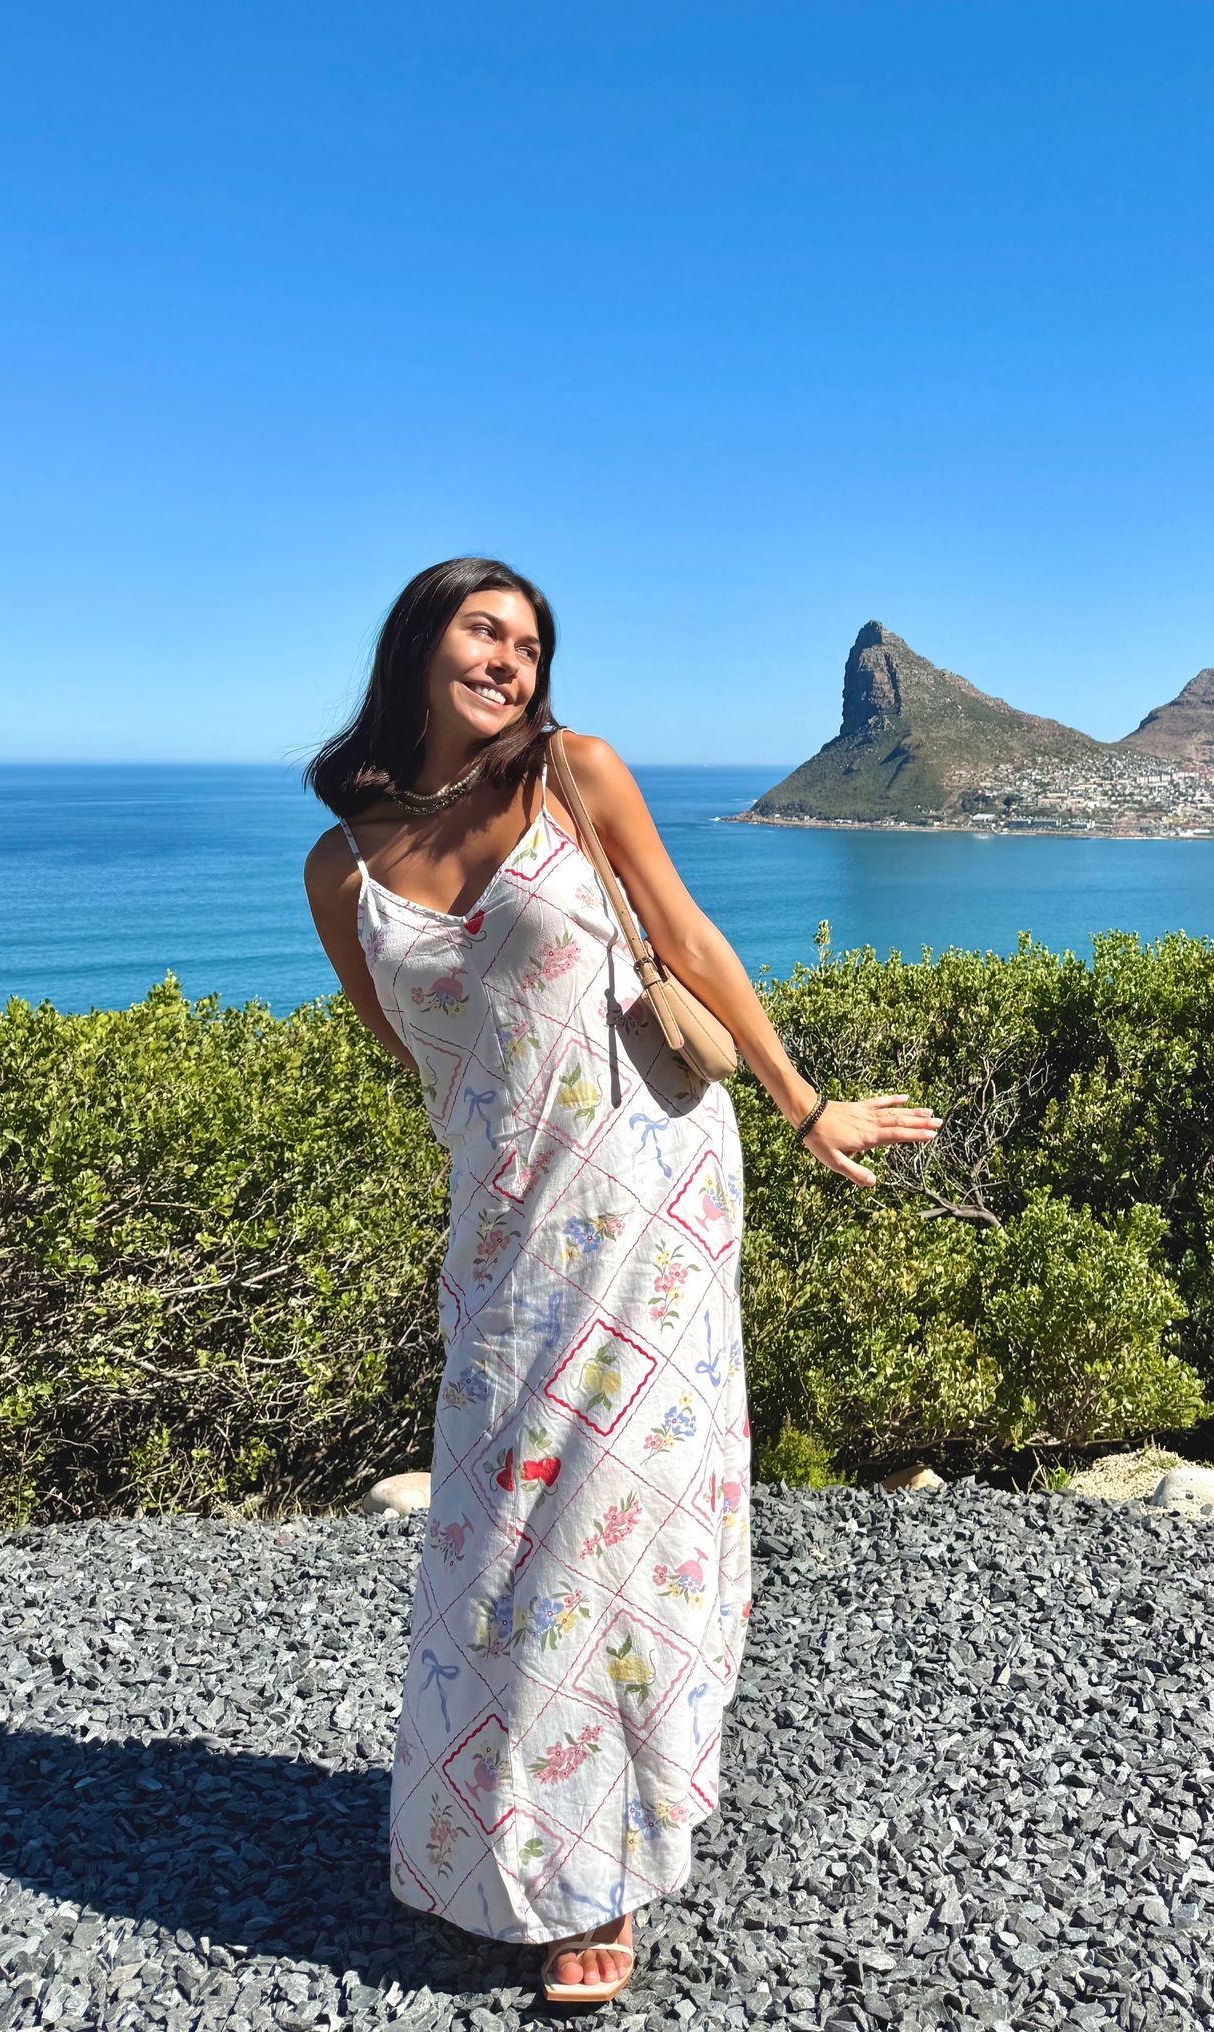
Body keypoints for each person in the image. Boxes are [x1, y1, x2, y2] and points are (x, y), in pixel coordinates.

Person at [303, 557, 939, 2006]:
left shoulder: (576, 777)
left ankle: (598, 1872)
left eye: (531, 643)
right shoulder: (341, 868)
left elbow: (693, 940)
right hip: (505, 1229)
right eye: (484, 631)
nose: (511, 661)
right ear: (419, 646)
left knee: (605, 1524)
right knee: (491, 1524)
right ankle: (479, 1833)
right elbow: (413, 1051)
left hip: (651, 1193)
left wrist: (802, 1101)